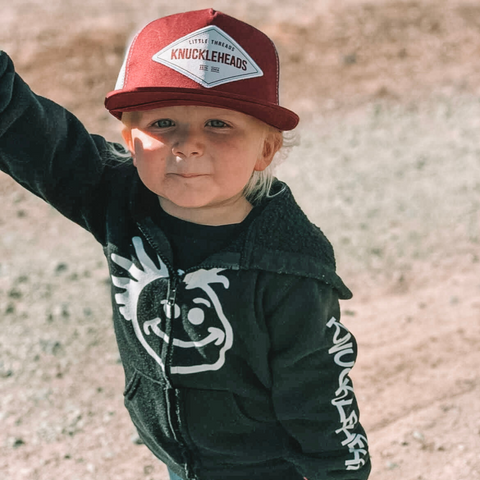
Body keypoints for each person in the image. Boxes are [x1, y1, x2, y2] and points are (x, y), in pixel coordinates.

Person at [0, 8, 371, 480]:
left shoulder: (289, 265)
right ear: (130, 139)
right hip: (184, 464)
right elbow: (27, 132)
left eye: (219, 124)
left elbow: (321, 400)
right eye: (163, 124)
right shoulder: (114, 197)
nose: (189, 144)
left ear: (266, 149)